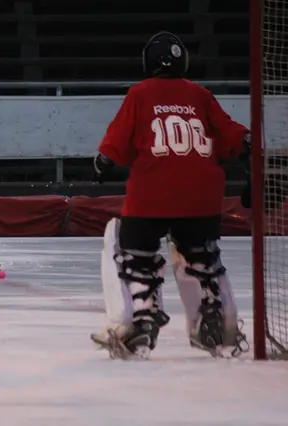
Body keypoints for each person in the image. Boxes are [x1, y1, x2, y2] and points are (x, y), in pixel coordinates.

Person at [90, 31, 250, 359]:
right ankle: (215, 318)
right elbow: (235, 136)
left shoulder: (140, 93)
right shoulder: (201, 95)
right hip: (203, 197)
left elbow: (116, 146)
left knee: (125, 244)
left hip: (152, 194)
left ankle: (141, 319)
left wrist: (102, 162)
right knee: (201, 252)